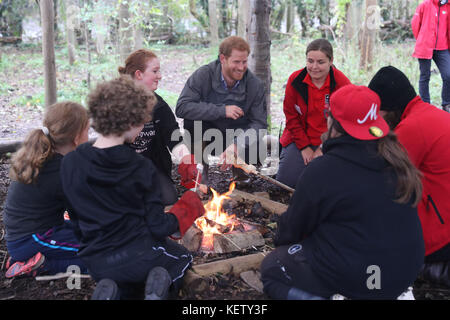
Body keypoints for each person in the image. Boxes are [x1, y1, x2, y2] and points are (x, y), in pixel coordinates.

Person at [261, 84, 425, 300]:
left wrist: (285, 245)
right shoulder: (396, 158)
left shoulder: (323, 170)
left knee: (273, 266)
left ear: (332, 122)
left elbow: (292, 229)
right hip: (402, 274)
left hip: (363, 278)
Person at [60, 76, 205, 300]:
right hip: (138, 255)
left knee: (123, 276)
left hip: (95, 259)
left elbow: (76, 219)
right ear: (131, 122)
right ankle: (157, 291)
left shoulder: (70, 162)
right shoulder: (140, 167)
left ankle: (113, 290)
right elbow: (158, 227)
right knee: (181, 259)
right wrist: (189, 205)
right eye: (143, 120)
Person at [368, 65, 450, 288]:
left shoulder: (410, 128)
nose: (377, 120)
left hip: (441, 236)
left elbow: (378, 181)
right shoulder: (430, 113)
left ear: (392, 108)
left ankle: (430, 271)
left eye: (379, 113)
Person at [3, 102, 90, 278]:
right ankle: (36, 265)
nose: (89, 136)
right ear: (76, 138)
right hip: (32, 239)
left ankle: (31, 259)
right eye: (87, 131)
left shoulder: (48, 157)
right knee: (99, 255)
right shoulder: (60, 170)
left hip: (33, 233)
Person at [175, 36, 268, 185]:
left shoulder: (254, 85)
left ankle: (241, 174)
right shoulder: (203, 75)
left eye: (244, 62)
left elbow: (260, 123)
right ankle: (200, 172)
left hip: (237, 136)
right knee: (191, 122)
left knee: (255, 138)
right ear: (222, 58)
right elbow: (182, 107)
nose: (241, 67)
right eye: (236, 62)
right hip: (209, 134)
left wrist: (237, 144)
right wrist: (222, 110)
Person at [118, 49, 200, 204]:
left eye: (159, 71)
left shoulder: (159, 105)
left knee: (168, 200)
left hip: (152, 168)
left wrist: (186, 159)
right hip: (122, 170)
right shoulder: (117, 103)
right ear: (139, 74)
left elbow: (173, 137)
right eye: (155, 71)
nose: (160, 76)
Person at [276, 38, 351, 188]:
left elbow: (344, 122)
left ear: (331, 61)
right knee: (286, 182)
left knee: (329, 183)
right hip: (299, 139)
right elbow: (291, 117)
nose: (314, 67)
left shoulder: (342, 83)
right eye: (310, 61)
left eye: (321, 62)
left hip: (330, 140)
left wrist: (323, 147)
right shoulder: (295, 80)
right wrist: (304, 147)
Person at [411, 0, 450, 111]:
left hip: (443, 48)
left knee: (448, 75)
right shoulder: (425, 4)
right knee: (425, 76)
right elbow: (415, 24)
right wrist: (422, 40)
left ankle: (446, 103)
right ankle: (425, 104)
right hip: (425, 47)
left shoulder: (448, 6)